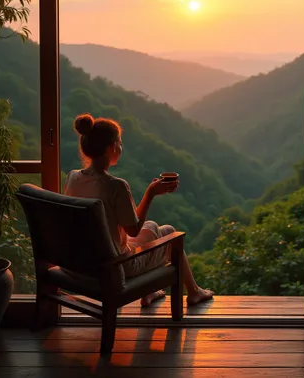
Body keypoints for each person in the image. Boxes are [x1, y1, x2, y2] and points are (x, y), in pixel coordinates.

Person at [64, 113, 214, 307]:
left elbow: (125, 223)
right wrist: (150, 194)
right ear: (113, 147)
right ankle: (194, 292)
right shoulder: (115, 186)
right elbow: (133, 230)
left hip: (83, 260)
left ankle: (150, 293)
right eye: (120, 142)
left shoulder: (72, 177)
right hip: (115, 265)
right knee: (170, 234)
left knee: (151, 226)